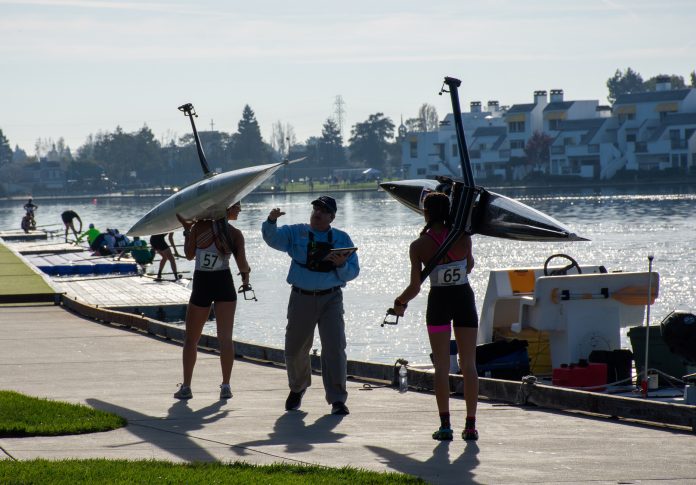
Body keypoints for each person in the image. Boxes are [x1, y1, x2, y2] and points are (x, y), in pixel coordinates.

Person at [392, 192, 479, 441]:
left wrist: (399, 303)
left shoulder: (419, 246)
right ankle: (471, 426)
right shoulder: (463, 237)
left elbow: (415, 287)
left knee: (441, 367)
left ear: (426, 213)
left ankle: (445, 426)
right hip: (464, 299)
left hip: (439, 302)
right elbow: (470, 266)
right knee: (469, 365)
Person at [262, 195, 360, 415]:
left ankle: (337, 399)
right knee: (295, 348)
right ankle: (298, 388)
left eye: (324, 211)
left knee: (335, 348)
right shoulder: (295, 232)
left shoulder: (342, 238)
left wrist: (342, 265)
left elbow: (354, 271)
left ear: (332, 217)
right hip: (301, 296)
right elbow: (272, 239)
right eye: (315, 208)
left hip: (331, 298)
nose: (318, 213)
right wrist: (270, 221)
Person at [173, 202, 251, 400]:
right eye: (237, 207)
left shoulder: (200, 227)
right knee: (225, 338)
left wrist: (187, 231)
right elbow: (242, 265)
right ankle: (226, 386)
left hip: (203, 283)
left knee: (191, 339)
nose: (240, 210)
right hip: (224, 283)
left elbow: (189, 256)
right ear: (226, 210)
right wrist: (246, 279)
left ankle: (187, 387)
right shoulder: (235, 234)